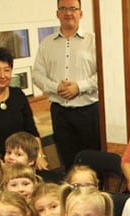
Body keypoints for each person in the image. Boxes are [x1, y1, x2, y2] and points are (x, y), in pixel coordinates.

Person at [33, 0, 100, 171]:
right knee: (68, 162)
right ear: (57, 13)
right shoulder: (46, 43)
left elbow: (103, 74)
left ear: (81, 13)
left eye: (72, 9)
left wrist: (79, 87)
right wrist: (56, 88)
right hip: (60, 113)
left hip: (88, 112)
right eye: (63, 9)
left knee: (92, 163)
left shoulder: (94, 41)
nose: (68, 13)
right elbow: (37, 75)